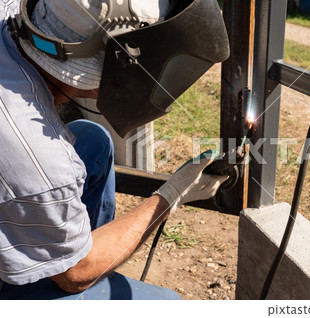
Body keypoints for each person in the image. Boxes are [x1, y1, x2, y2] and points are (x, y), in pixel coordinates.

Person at [0, 0, 227, 300]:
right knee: (169, 304)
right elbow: (75, 274)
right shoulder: (38, 157)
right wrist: (171, 195)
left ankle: (78, 246)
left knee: (93, 142)